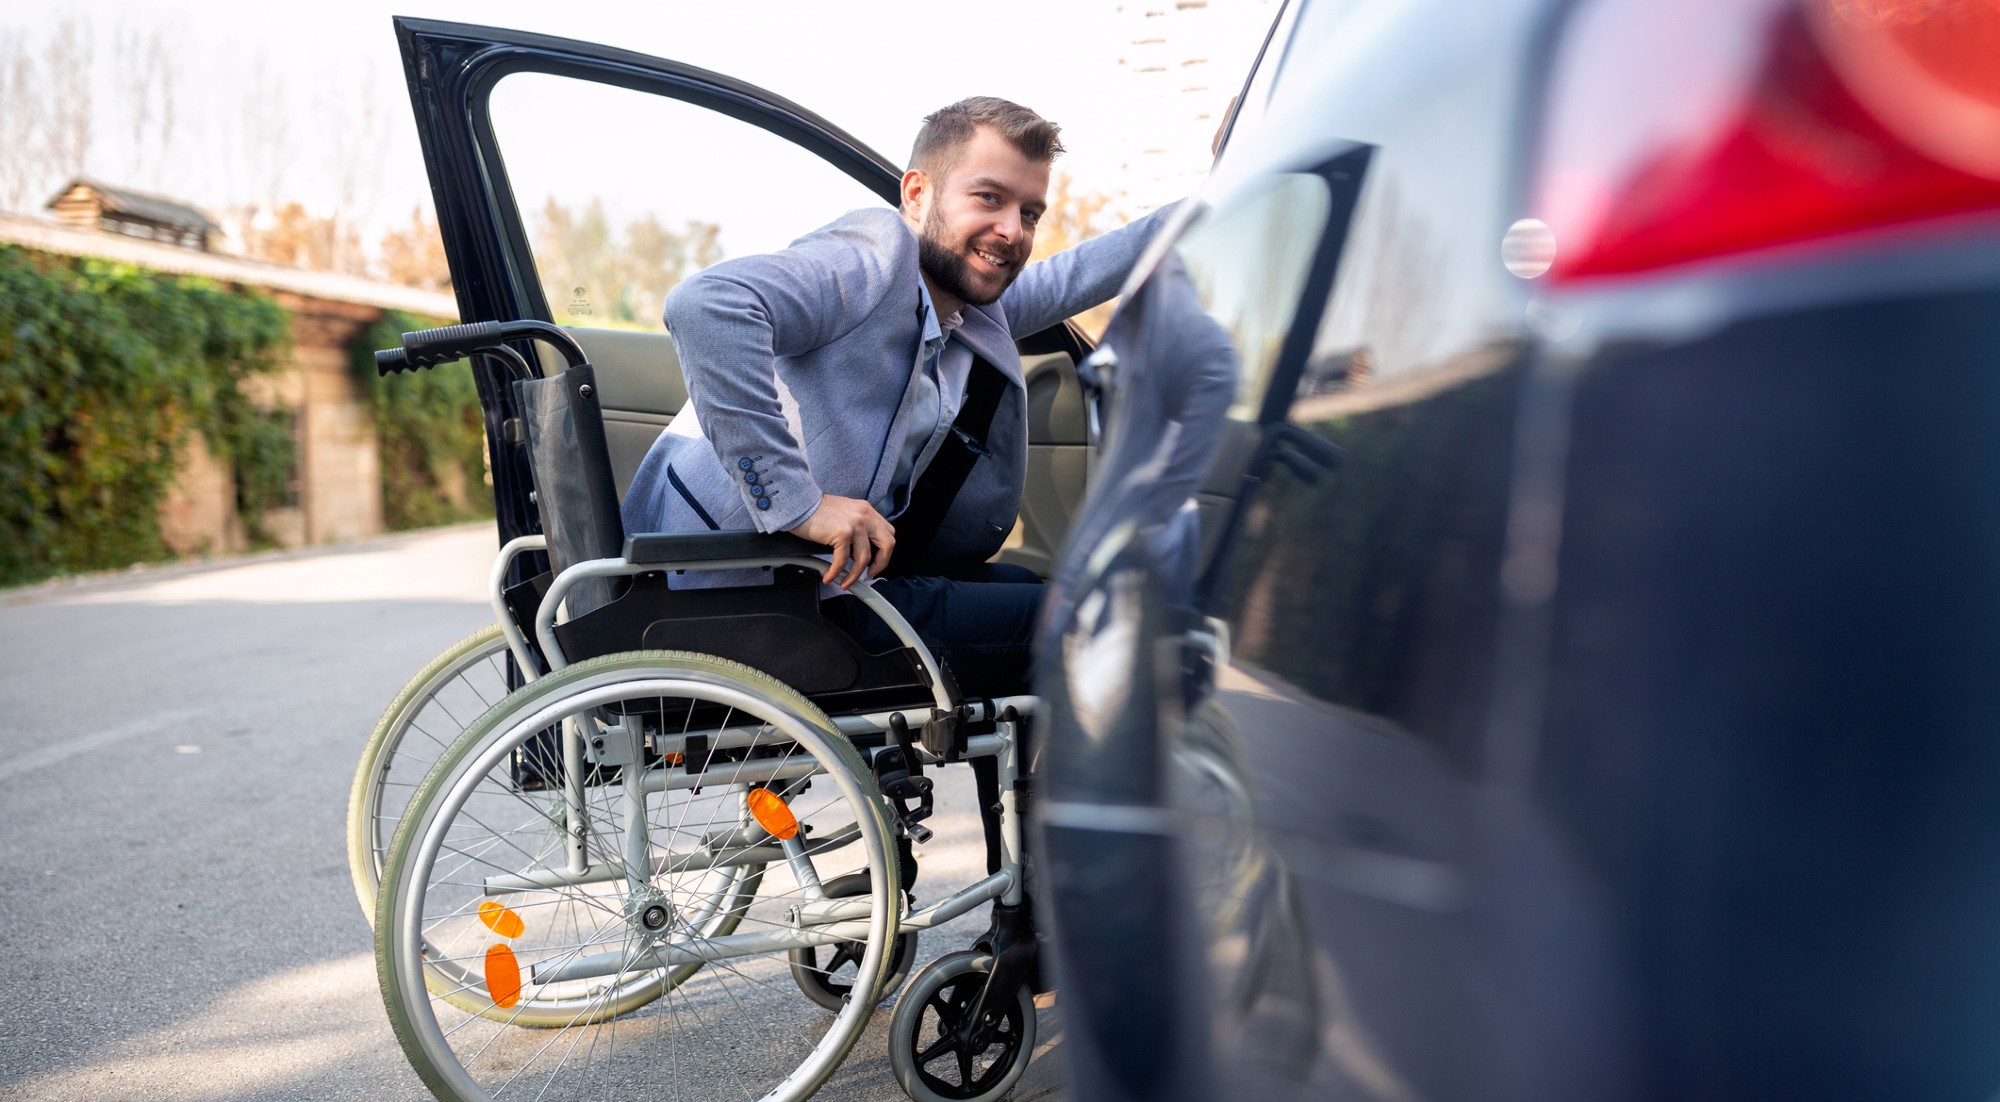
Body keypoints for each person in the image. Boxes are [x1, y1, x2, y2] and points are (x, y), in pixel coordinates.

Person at [623, 96, 1172, 698]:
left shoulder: (963, 306)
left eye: (1031, 212)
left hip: (822, 582)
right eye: (989, 198)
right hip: (738, 597)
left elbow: (1074, 275)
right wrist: (799, 505)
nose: (1013, 230)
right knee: (1098, 623)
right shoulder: (874, 255)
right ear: (916, 195)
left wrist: (1218, 201)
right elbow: (707, 306)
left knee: (1034, 586)